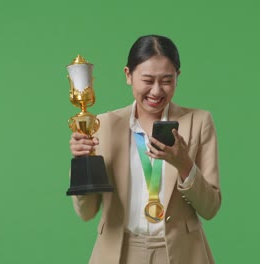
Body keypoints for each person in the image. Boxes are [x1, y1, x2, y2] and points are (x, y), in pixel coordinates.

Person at [69, 35, 221, 264]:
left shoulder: (199, 122)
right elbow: (86, 212)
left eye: (166, 80)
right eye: (148, 80)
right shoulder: (103, 126)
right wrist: (82, 162)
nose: (157, 91)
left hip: (182, 254)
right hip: (119, 252)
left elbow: (210, 208)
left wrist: (184, 164)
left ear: (178, 77)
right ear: (128, 75)